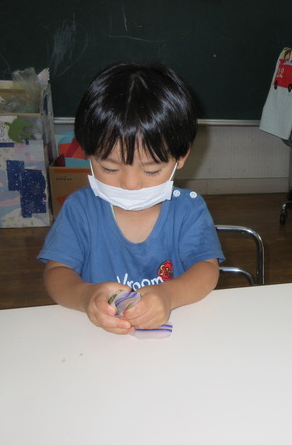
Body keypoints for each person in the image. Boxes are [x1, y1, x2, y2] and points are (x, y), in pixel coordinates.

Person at [38, 63, 224, 335]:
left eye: (151, 170)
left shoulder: (189, 209)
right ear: (87, 152)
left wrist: (168, 295)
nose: (130, 184)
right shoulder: (80, 209)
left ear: (181, 156)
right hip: (97, 339)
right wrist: (86, 296)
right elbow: (56, 273)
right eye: (109, 168)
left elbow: (206, 269)